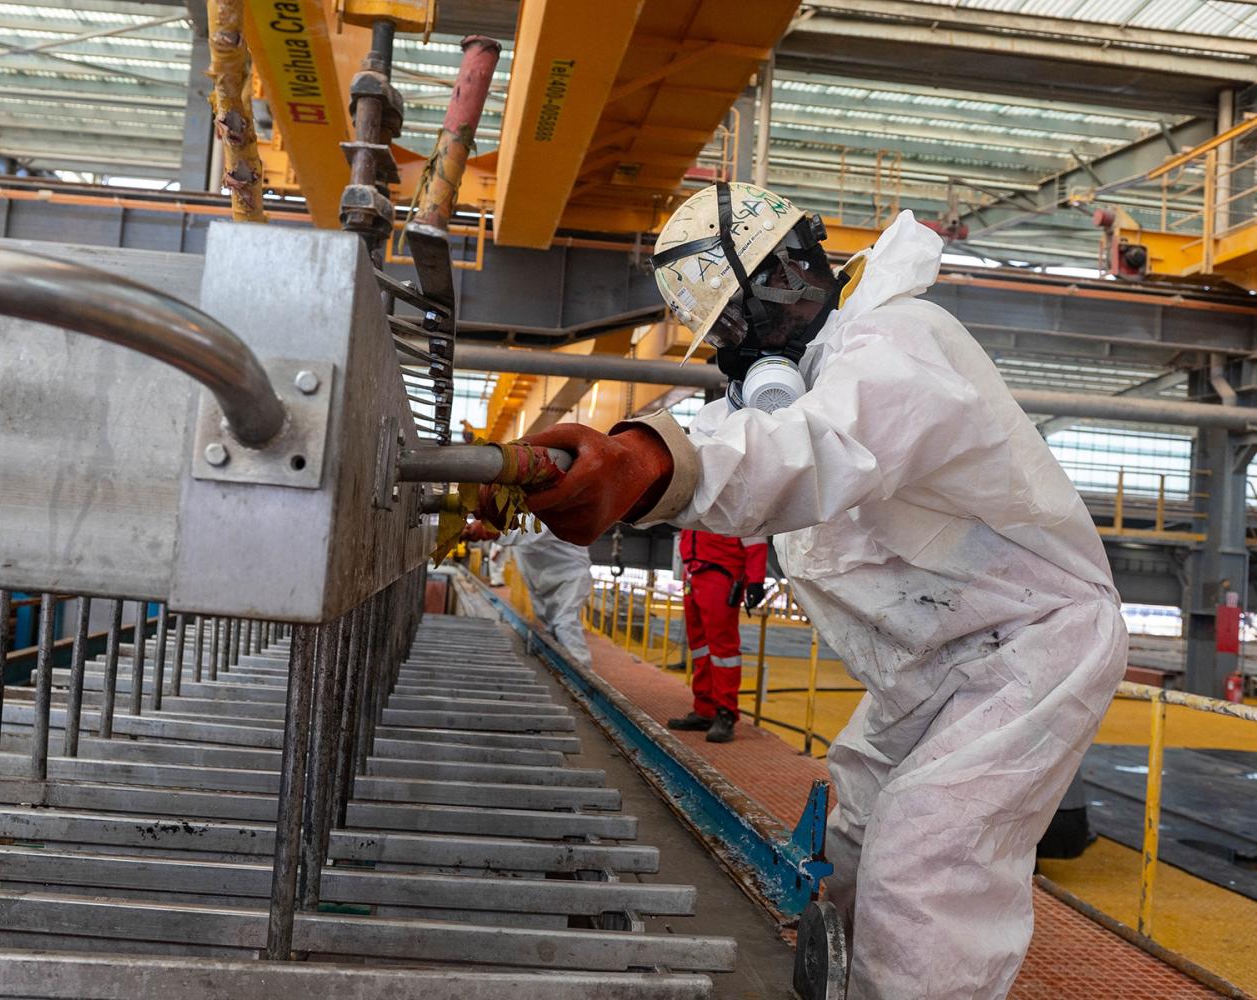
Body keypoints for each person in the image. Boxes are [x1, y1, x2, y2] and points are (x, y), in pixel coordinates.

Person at [472, 182, 1127, 1000]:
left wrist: (658, 466)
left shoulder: (897, 342)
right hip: (939, 662)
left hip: (1036, 644)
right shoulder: (810, 378)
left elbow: (816, 445)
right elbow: (724, 428)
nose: (738, 353)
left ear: (791, 272)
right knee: (854, 834)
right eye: (723, 338)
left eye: (741, 327)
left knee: (924, 862)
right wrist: (550, 476)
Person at [667, 529, 768, 743]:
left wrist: (756, 580)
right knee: (700, 647)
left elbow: (755, 533)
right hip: (693, 572)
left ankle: (725, 714)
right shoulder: (697, 497)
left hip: (721, 573)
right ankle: (704, 710)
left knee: (723, 650)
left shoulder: (736, 497)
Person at [464, 521, 593, 666]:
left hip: (569, 575)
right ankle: (561, 666)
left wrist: (490, 529)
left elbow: (533, 528)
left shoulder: (551, 507)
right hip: (539, 576)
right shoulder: (520, 507)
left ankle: (583, 674)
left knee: (565, 623)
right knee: (551, 626)